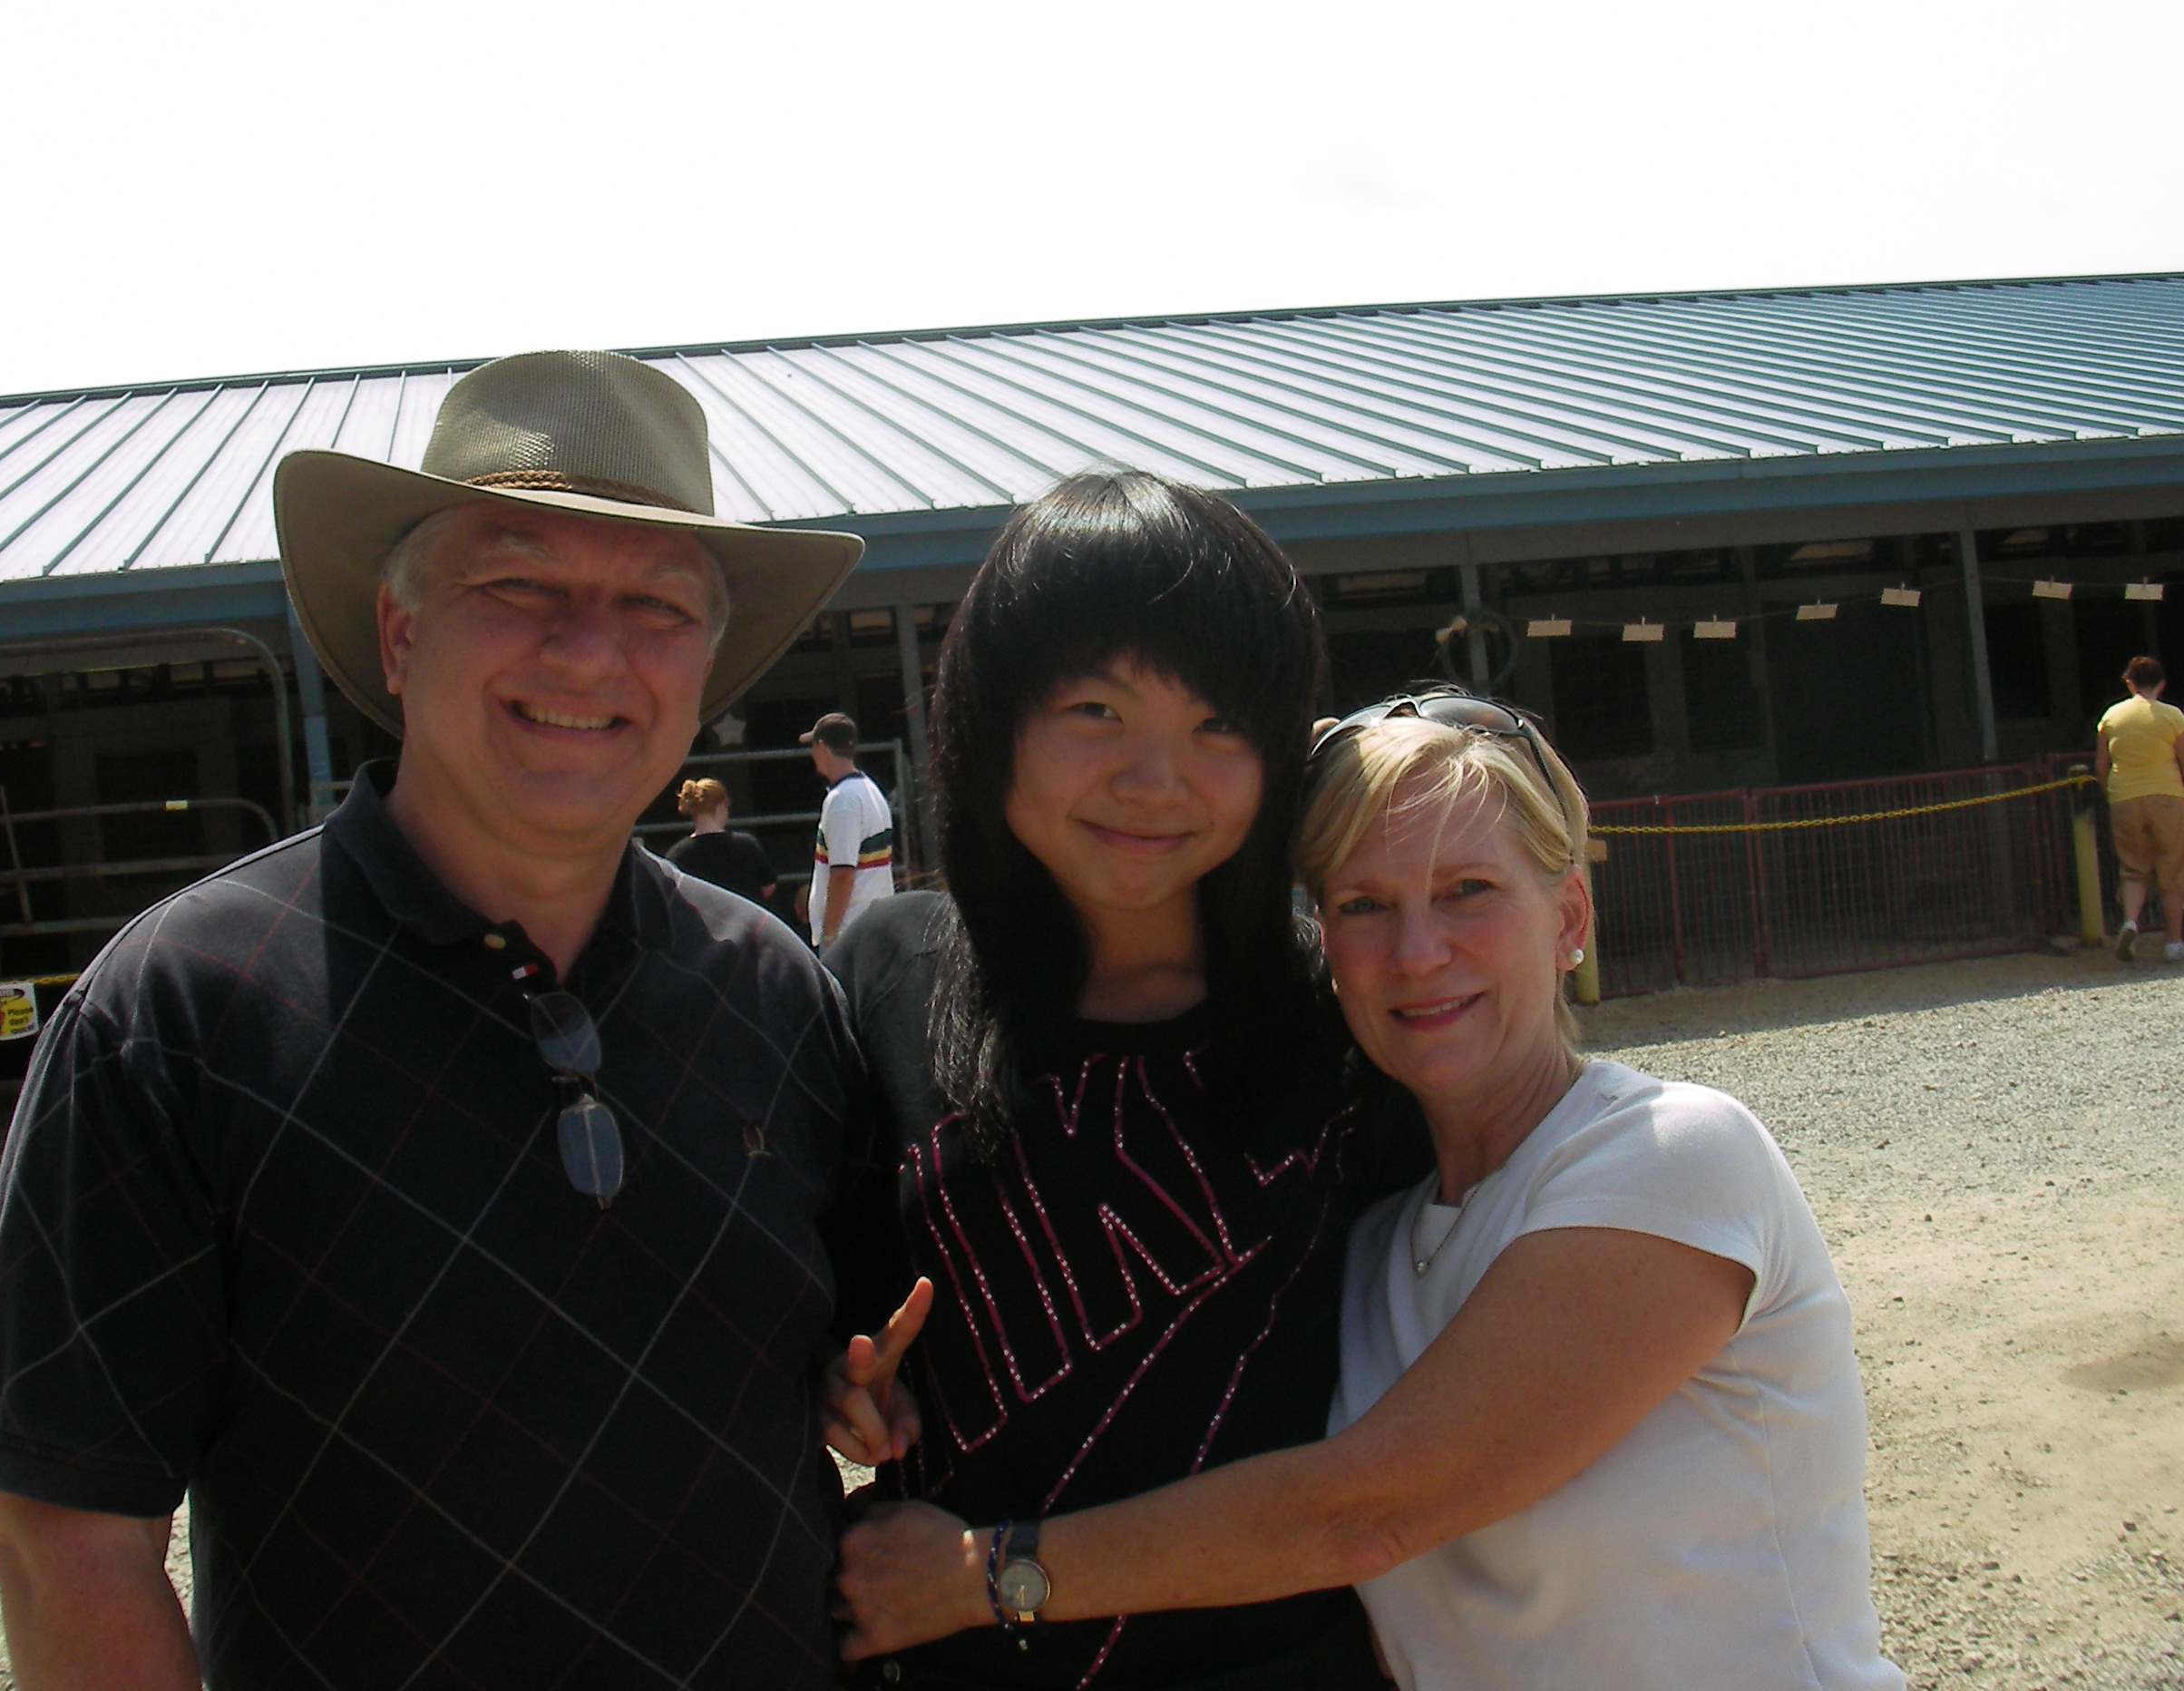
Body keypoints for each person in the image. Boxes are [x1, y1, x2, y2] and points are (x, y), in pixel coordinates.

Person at [0, 349, 893, 1689]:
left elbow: (856, 1365)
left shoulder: (777, 992)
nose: (590, 649)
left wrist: (869, 1386)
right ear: (401, 634)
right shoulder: (175, 1015)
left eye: (655, 604)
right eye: (519, 585)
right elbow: (70, 1542)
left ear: (704, 671)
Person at [834, 691, 1903, 1691]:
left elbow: (1366, 1513)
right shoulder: (1379, 1234)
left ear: (1569, 915)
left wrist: (986, 1576)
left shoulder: (1672, 1156)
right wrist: (889, 1376)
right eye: (1364, 904)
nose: (1417, 952)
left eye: (1466, 892)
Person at [818, 471, 1422, 1691]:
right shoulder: (891, 971)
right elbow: (837, 1299)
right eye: (1096, 710)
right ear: (992, 728)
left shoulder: (1349, 1015)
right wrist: (836, 1381)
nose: (1160, 780)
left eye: (1219, 726)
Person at [2095, 655, 2184, 963]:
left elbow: (2101, 765)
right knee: (2171, 870)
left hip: (2124, 797)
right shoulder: (2173, 716)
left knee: (2133, 869)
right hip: (2166, 795)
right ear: (2161, 683)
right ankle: (2173, 942)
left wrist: (2110, 795)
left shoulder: (2111, 717)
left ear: (2130, 683)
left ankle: (2131, 922)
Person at [802, 711, 895, 949]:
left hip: (851, 932)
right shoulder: (870, 789)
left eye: (813, 746)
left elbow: (843, 874)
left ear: (822, 747)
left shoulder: (842, 800)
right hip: (875, 925)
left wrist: (831, 935)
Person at [667, 775, 779, 905]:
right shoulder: (747, 845)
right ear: (722, 805)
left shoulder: (678, 855)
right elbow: (768, 887)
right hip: (743, 922)